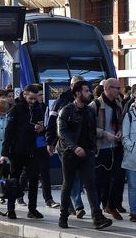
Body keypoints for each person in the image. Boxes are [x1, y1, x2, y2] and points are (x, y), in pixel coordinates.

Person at [57, 80, 113, 229]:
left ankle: (97, 218)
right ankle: (63, 217)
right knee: (68, 184)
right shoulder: (66, 110)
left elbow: (92, 131)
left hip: (87, 153)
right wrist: (75, 148)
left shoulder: (89, 111)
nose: (89, 93)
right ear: (77, 93)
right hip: (69, 153)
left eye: (89, 91)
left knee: (90, 185)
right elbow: (62, 133)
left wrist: (92, 148)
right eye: (86, 91)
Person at [1, 84, 44, 219]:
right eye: (31, 98)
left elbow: (43, 126)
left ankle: (32, 209)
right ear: (25, 94)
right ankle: (11, 209)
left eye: (35, 99)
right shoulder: (16, 109)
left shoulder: (37, 108)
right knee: (14, 180)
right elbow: (8, 131)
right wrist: (4, 152)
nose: (33, 101)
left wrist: (42, 129)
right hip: (17, 150)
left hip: (32, 149)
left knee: (33, 179)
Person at [46, 75, 86, 217]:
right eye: (76, 85)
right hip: (65, 144)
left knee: (77, 177)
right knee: (72, 175)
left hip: (81, 144)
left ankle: (69, 205)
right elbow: (52, 121)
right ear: (71, 86)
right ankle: (78, 205)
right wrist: (50, 141)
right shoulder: (61, 100)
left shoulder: (86, 101)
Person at [89, 78, 125, 219]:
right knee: (100, 180)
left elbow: (121, 122)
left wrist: (120, 131)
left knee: (119, 177)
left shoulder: (118, 103)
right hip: (101, 148)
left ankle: (111, 205)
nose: (119, 90)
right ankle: (96, 211)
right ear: (108, 88)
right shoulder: (95, 105)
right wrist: (105, 134)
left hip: (116, 147)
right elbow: (89, 128)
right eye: (117, 88)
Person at [121, 94, 136, 222]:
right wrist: (131, 148)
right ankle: (134, 212)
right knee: (133, 186)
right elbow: (124, 137)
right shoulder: (129, 116)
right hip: (132, 157)